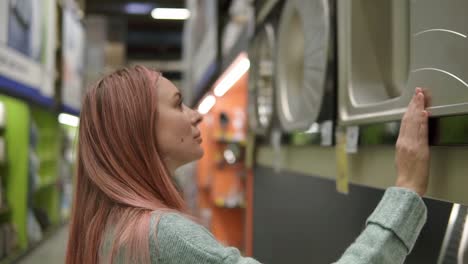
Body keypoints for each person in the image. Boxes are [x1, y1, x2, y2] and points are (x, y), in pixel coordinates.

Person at [65, 66, 431, 264]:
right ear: (138, 127)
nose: (196, 116)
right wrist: (406, 191)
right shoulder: (165, 236)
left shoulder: (107, 229)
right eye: (178, 104)